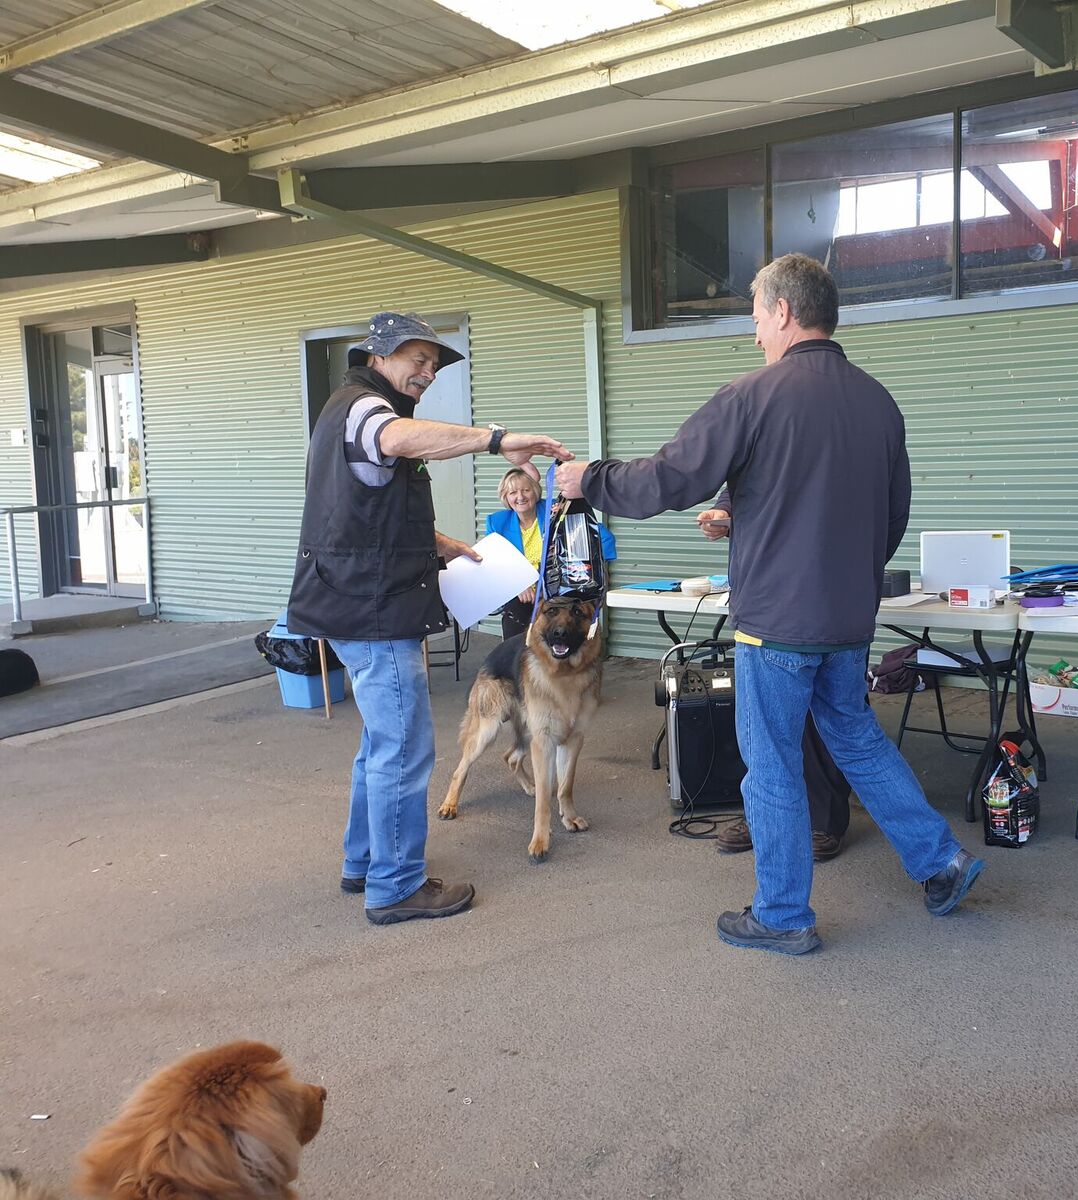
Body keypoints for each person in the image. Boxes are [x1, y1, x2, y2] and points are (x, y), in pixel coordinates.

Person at [555, 254, 983, 956]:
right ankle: (942, 862)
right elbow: (890, 516)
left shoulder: (752, 394)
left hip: (776, 625)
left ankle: (782, 915)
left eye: (756, 317)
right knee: (857, 739)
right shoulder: (878, 402)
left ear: (784, 310)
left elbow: (671, 477)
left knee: (773, 762)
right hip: (847, 619)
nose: (754, 333)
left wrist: (589, 479)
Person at [287, 311, 571, 926]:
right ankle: (394, 886)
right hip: (373, 610)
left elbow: (364, 508)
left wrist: (441, 544)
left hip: (353, 599)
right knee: (404, 747)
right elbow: (395, 440)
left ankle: (364, 861)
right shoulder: (366, 408)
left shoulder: (351, 408)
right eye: (418, 359)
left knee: (380, 742)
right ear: (378, 355)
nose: (428, 372)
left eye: (435, 365)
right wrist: (496, 440)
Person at [697, 489, 850, 862]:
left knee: (825, 719)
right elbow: (743, 485)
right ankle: (764, 818)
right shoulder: (760, 452)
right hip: (766, 598)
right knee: (764, 727)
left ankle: (823, 820)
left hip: (825, 591)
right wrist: (723, 513)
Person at [486, 468, 617, 641]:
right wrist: (517, 583)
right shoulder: (497, 522)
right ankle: (516, 652)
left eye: (526, 490)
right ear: (505, 497)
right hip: (523, 594)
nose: (520, 497)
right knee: (515, 622)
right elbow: (492, 562)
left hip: (559, 592)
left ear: (535, 492)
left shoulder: (556, 509)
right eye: (513, 492)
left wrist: (566, 522)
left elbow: (604, 538)